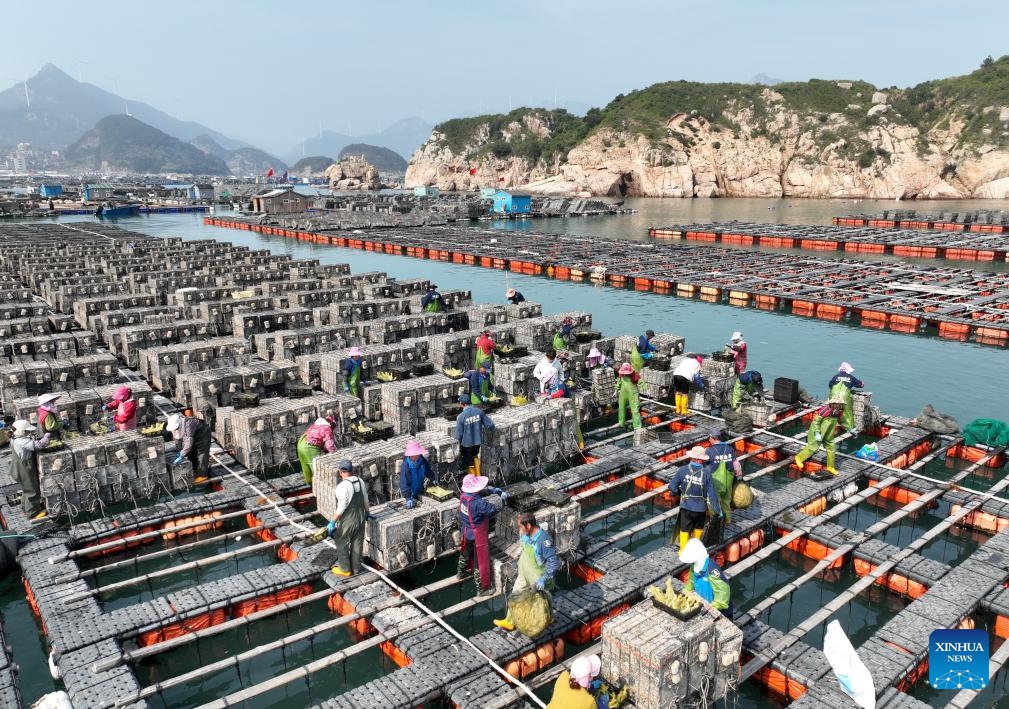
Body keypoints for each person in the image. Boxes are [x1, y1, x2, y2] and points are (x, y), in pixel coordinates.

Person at [494, 513, 560, 631]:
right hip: (524, 574)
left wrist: (544, 579)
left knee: (541, 600)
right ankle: (509, 621)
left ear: (528, 525)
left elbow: (553, 562)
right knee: (515, 595)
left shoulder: (543, 541)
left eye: (521, 526)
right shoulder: (527, 535)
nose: (519, 529)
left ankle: (548, 618)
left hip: (537, 578)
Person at [457, 473, 506, 595]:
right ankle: (483, 589)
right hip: (478, 534)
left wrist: (491, 491)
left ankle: (460, 573)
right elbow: (492, 509)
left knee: (465, 552)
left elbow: (478, 493)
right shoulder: (479, 503)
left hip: (466, 531)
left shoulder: (463, 496)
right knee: (480, 562)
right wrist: (503, 500)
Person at [668, 446, 721, 549]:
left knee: (684, 529)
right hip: (700, 509)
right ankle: (695, 549)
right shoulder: (707, 474)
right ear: (701, 460)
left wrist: (678, 493)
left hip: (686, 507)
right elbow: (712, 495)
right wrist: (717, 511)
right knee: (698, 528)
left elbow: (672, 487)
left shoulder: (682, 470)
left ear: (692, 458)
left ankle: (683, 550)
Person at [324, 459, 370, 577]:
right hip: (360, 518)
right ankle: (356, 569)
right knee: (357, 543)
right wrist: (367, 513)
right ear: (351, 470)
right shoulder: (360, 481)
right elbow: (365, 499)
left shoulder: (342, 486)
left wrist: (332, 522)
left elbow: (341, 507)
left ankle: (345, 569)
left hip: (348, 521)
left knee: (341, 542)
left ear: (340, 472)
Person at [794, 392, 847, 475]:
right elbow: (816, 422)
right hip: (817, 431)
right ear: (833, 403)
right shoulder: (825, 410)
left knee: (831, 448)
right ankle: (799, 458)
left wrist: (850, 429)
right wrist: (817, 433)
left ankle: (830, 466)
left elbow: (842, 421)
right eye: (838, 403)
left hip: (828, 432)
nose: (839, 405)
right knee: (813, 447)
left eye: (841, 404)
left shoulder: (839, 411)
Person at [678, 538, 732, 618]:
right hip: (706, 602)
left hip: (721, 609)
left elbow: (723, 590)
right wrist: (687, 590)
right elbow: (691, 581)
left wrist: (715, 605)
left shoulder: (712, 569)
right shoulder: (694, 566)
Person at [706, 425, 742, 543]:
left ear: (712, 437)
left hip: (716, 480)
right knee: (726, 500)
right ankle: (728, 521)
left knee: (714, 501)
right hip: (728, 479)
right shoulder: (730, 449)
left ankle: (715, 521)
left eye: (709, 438)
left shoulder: (710, 450)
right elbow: (735, 465)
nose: (708, 440)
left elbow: (706, 466)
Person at [10, 420, 51, 521]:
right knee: (32, 490)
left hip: (17, 467)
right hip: (24, 468)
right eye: (26, 431)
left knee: (26, 489)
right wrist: (46, 437)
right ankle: (32, 513)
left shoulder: (14, 438)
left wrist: (32, 436)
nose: (28, 433)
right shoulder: (21, 441)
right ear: (21, 431)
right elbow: (38, 445)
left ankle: (26, 508)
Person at [547, 654, 622, 709]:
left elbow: (575, 687)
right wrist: (604, 705)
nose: (592, 677)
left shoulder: (562, 677)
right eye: (591, 676)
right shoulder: (589, 702)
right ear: (589, 678)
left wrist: (590, 685)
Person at [455, 394, 495, 476]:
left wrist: (457, 447)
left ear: (462, 404)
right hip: (477, 442)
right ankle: (478, 475)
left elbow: (459, 435)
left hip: (466, 445)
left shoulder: (461, 417)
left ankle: (474, 481)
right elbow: (490, 424)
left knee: (469, 462)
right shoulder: (479, 412)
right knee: (475, 456)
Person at [167, 412, 212, 483]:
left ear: (179, 423)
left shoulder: (188, 424)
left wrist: (182, 454)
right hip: (194, 435)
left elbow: (188, 443)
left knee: (202, 453)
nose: (175, 429)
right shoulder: (175, 429)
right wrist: (180, 451)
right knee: (191, 453)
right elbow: (177, 440)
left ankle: (202, 475)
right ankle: (194, 469)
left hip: (203, 433)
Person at [297, 416, 337, 485]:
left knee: (306, 466)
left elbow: (319, 439)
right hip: (309, 447)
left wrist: (325, 450)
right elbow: (329, 445)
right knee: (317, 467)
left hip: (301, 443)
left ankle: (310, 483)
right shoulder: (327, 428)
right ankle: (319, 485)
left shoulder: (317, 424)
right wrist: (335, 454)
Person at [399, 440, 437, 508]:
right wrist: (408, 497)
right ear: (410, 455)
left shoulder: (421, 460)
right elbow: (404, 483)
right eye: (414, 455)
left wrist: (432, 478)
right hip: (410, 493)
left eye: (417, 454)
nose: (416, 456)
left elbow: (428, 470)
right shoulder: (405, 466)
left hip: (420, 489)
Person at [828, 362, 864, 431]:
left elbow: (830, 385)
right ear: (848, 370)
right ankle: (849, 429)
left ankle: (833, 425)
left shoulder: (835, 377)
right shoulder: (851, 377)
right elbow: (861, 385)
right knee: (847, 413)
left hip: (833, 396)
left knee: (833, 410)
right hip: (844, 397)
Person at [616, 363, 641, 430]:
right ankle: (621, 422)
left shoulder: (635, 374)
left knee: (635, 409)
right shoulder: (621, 374)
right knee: (621, 407)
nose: (626, 374)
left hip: (633, 393)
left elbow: (641, 382)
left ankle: (637, 426)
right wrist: (616, 390)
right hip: (623, 392)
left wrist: (646, 389)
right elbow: (619, 382)